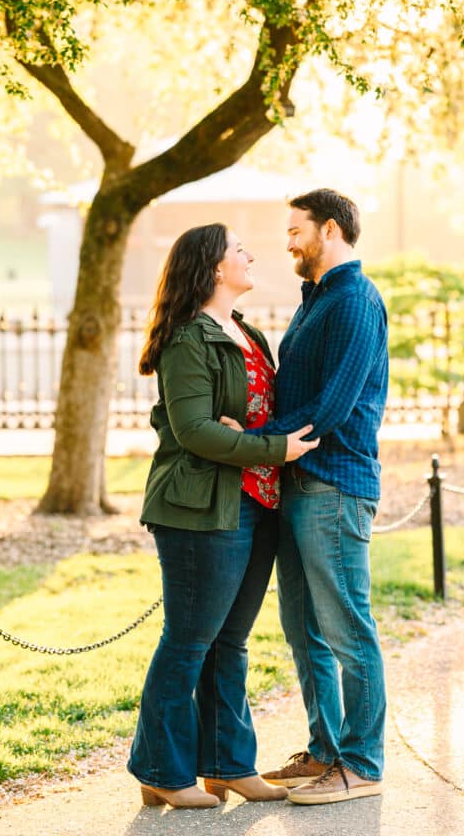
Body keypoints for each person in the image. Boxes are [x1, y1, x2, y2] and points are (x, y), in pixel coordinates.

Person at [127, 223, 318, 809]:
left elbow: (247, 417)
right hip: (200, 509)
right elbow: (193, 430)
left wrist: (252, 437)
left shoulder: (249, 333)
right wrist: (269, 449)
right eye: (240, 249)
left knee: (228, 643)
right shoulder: (187, 339)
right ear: (212, 266)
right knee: (188, 642)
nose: (252, 254)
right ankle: (160, 769)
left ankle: (228, 765)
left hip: (256, 503)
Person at [222, 189, 389, 805]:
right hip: (296, 485)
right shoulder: (316, 298)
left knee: (347, 627)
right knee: (303, 629)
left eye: (297, 230)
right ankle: (326, 751)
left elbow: (333, 408)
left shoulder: (353, 301)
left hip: (335, 487)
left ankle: (363, 764)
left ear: (330, 230)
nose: (287, 241)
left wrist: (254, 439)